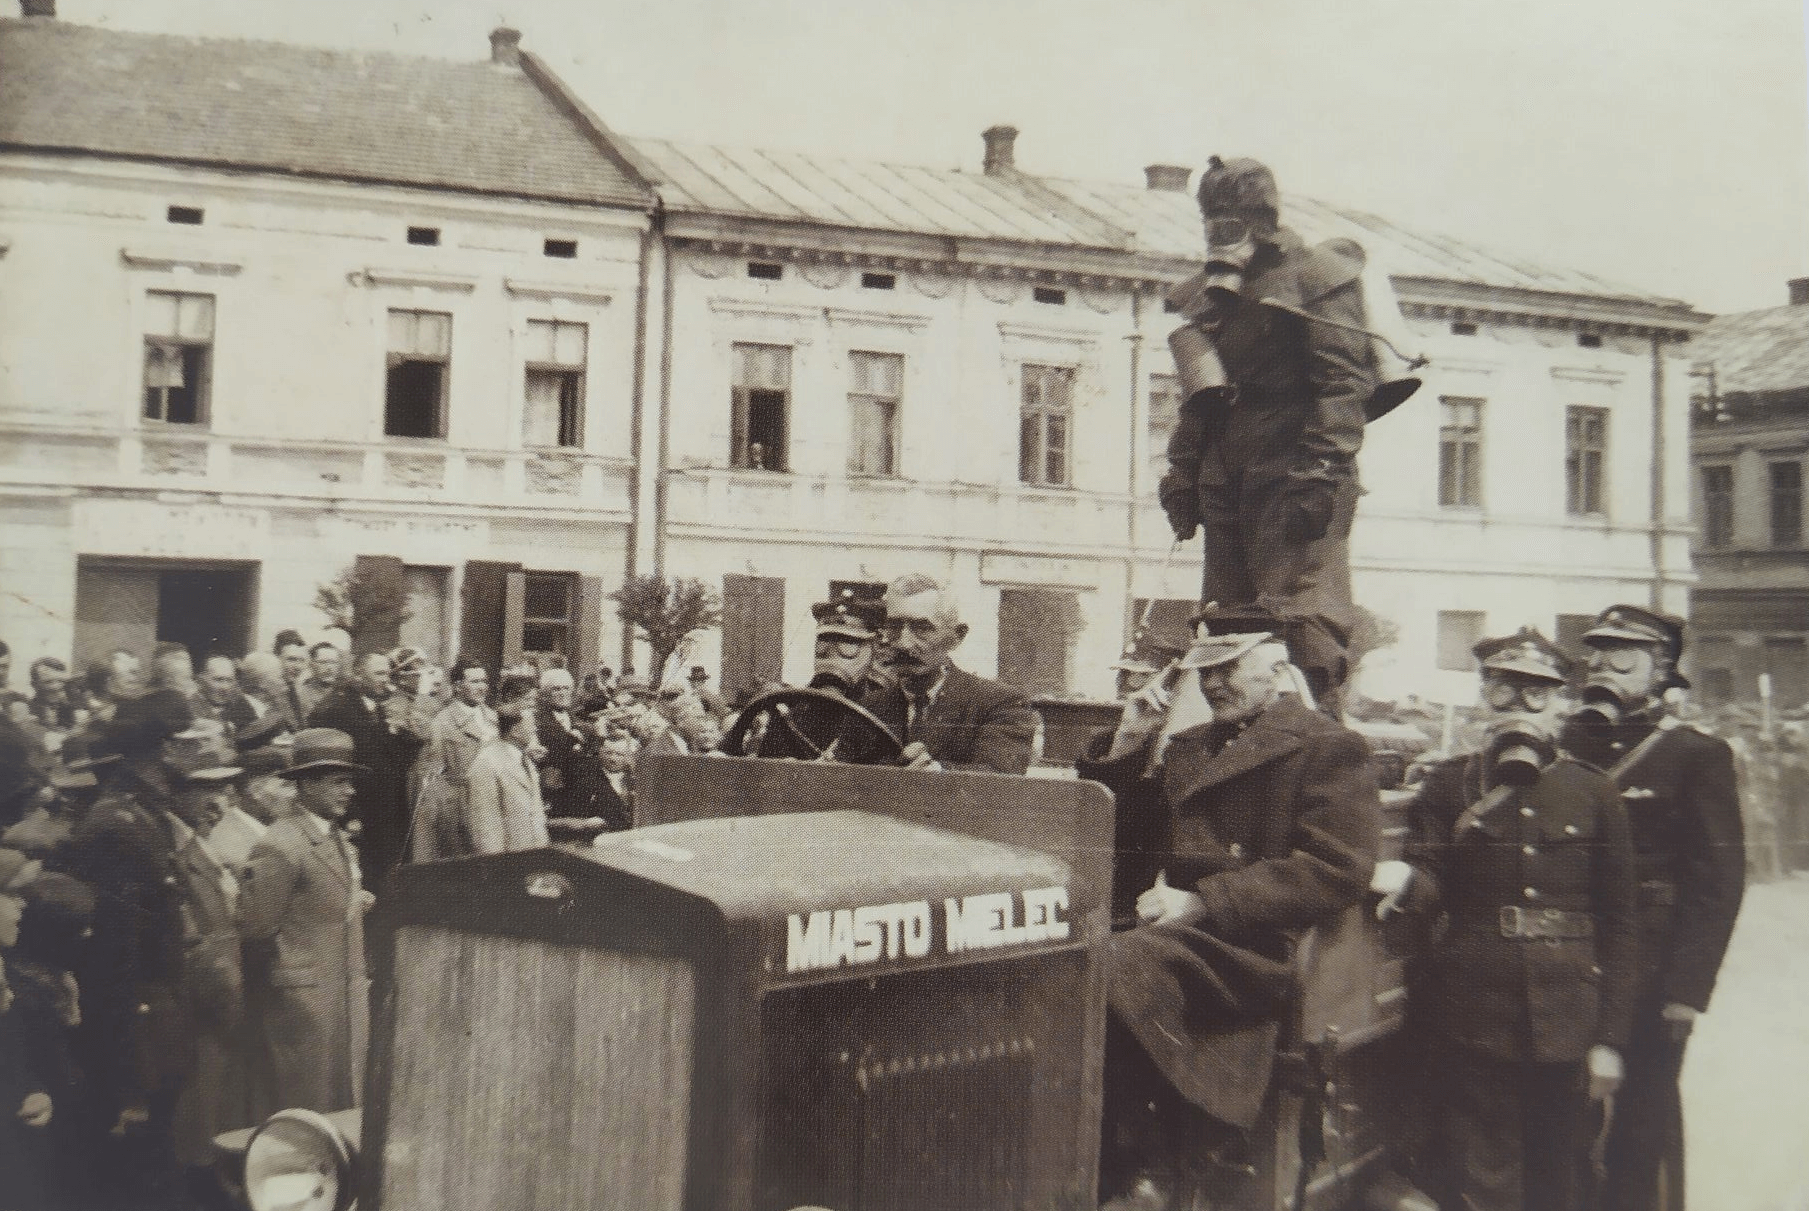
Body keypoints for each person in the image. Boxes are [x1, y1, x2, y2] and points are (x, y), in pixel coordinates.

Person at [1078, 618, 1380, 1208]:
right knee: (1066, 964)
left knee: (1115, 968)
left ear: (1276, 666)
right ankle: (1116, 1160)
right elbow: (1128, 845)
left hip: (1259, 945)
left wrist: (1205, 901)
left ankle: (1160, 1165)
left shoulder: (1328, 747)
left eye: (1230, 668)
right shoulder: (1188, 746)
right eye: (1206, 671)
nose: (1214, 685)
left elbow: (1337, 867)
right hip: (1176, 935)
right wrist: (1128, 744)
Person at [1375, 628, 1636, 1211]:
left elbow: (1620, 924)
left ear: (1565, 702)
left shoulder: (1594, 794)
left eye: (1538, 694)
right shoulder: (1451, 784)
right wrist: (1408, 882)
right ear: (1481, 696)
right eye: (1503, 691)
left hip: (1569, 1017)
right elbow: (1430, 872)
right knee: (1478, 1176)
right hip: (1473, 1013)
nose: (1519, 707)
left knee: (1563, 1171)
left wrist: (1611, 1040)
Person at [1157, 156, 1379, 685]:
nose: (1221, 229)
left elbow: (1344, 382)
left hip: (1295, 471)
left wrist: (1322, 473)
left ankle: (1312, 747)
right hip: (1228, 474)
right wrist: (1182, 473)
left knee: (1301, 624)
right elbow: (1203, 394)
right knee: (1225, 627)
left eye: (1234, 216)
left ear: (1264, 217)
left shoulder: (1316, 276)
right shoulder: (1213, 291)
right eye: (1213, 216)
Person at [1559, 605, 1745, 1211]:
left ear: (1661, 668)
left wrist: (1686, 990)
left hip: (1653, 963)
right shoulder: (1566, 746)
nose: (1602, 666)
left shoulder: (1695, 753)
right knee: (1563, 1115)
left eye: (1622, 655)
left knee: (1642, 1123)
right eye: (1597, 651)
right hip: (1572, 957)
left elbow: (1718, 881)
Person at [61, 690, 207, 1209]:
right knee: (131, 1182)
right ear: (166, 749)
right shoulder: (119, 826)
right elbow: (109, 961)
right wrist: (126, 1080)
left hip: (157, 1029)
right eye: (191, 739)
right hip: (134, 1037)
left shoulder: (147, 817)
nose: (201, 746)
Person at [238, 729, 370, 1116]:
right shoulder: (281, 844)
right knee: (306, 1107)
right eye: (338, 783)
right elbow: (257, 930)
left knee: (342, 1103)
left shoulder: (329, 835)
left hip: (339, 991)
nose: (349, 792)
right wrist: (288, 986)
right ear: (307, 785)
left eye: (350, 782)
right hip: (303, 1002)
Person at [165, 759, 253, 1177]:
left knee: (222, 1084)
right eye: (204, 790)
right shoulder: (175, 852)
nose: (215, 802)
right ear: (177, 792)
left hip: (224, 980)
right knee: (206, 1083)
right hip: (211, 988)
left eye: (221, 790)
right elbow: (191, 938)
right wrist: (231, 990)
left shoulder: (201, 841)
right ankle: (200, 1171)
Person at [864, 574, 1037, 774]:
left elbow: (1000, 780)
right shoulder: (870, 706)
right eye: (894, 626)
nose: (903, 643)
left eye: (922, 628)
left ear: (957, 637)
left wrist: (937, 772)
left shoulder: (1001, 703)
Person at [307, 651, 424, 887]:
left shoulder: (381, 708)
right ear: (358, 675)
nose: (386, 680)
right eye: (379, 673)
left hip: (387, 815)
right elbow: (327, 771)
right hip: (357, 814)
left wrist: (408, 734)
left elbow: (398, 761)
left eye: (388, 674)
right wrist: (349, 814)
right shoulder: (334, 710)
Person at [410, 659, 497, 863]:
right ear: (458, 686)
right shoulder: (443, 723)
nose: (482, 687)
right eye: (474, 681)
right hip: (460, 813)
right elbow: (430, 777)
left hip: (492, 807)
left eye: (484, 681)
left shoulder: (494, 718)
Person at [463, 705, 549, 855]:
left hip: (533, 854)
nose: (535, 729)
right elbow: (485, 823)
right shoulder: (487, 763)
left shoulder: (525, 759)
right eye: (531, 725)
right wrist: (496, 868)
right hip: (507, 861)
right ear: (515, 731)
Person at [536, 667, 599, 821]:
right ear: (545, 694)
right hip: (553, 793)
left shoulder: (576, 720)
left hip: (578, 793)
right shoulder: (539, 721)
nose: (562, 693)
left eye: (566, 688)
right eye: (556, 689)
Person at [193, 653, 260, 735]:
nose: (225, 687)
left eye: (230, 680)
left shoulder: (239, 702)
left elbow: (256, 733)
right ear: (201, 679)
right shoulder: (190, 705)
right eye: (218, 680)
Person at [296, 640, 342, 723]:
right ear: (312, 664)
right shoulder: (302, 694)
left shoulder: (346, 690)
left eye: (333, 662)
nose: (329, 667)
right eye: (323, 662)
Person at [27, 658, 76, 732]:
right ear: (34, 685)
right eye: (48, 682)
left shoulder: (72, 707)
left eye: (61, 681)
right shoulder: (29, 712)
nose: (56, 687)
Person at [275, 633, 313, 729]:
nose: (298, 666)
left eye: (302, 660)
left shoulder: (303, 691)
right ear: (276, 659)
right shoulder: (270, 692)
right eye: (291, 659)